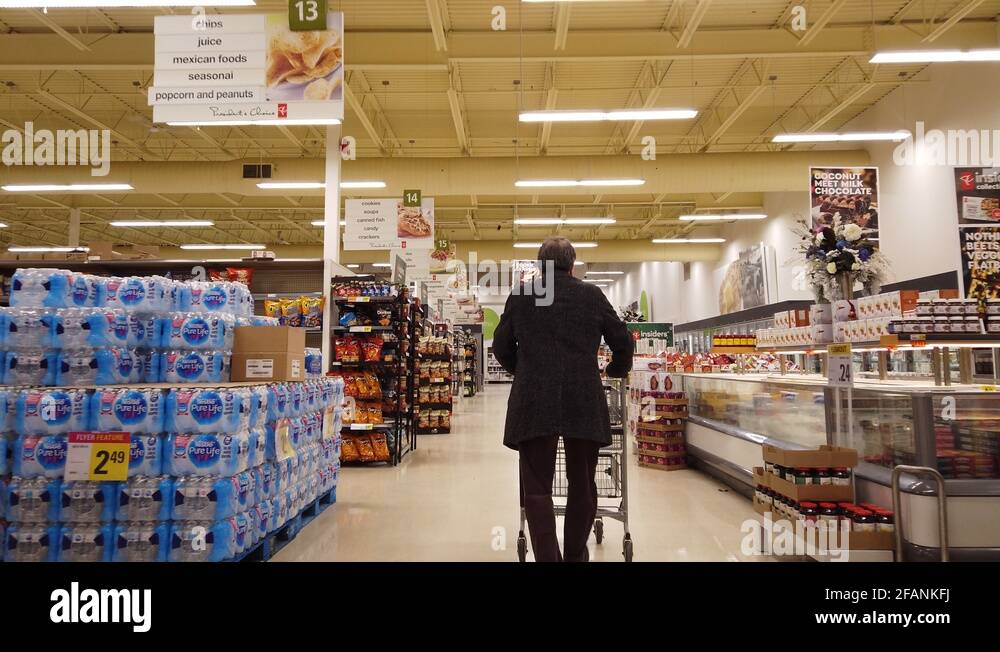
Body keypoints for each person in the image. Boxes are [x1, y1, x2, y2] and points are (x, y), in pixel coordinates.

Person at [493, 237, 633, 562]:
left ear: (540, 266)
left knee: (537, 486)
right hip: (583, 399)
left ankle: (548, 558)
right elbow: (623, 342)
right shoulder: (592, 295)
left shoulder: (523, 295)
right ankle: (574, 556)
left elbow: (501, 347)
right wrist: (614, 368)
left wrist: (524, 370)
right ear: (572, 266)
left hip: (533, 401)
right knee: (582, 483)